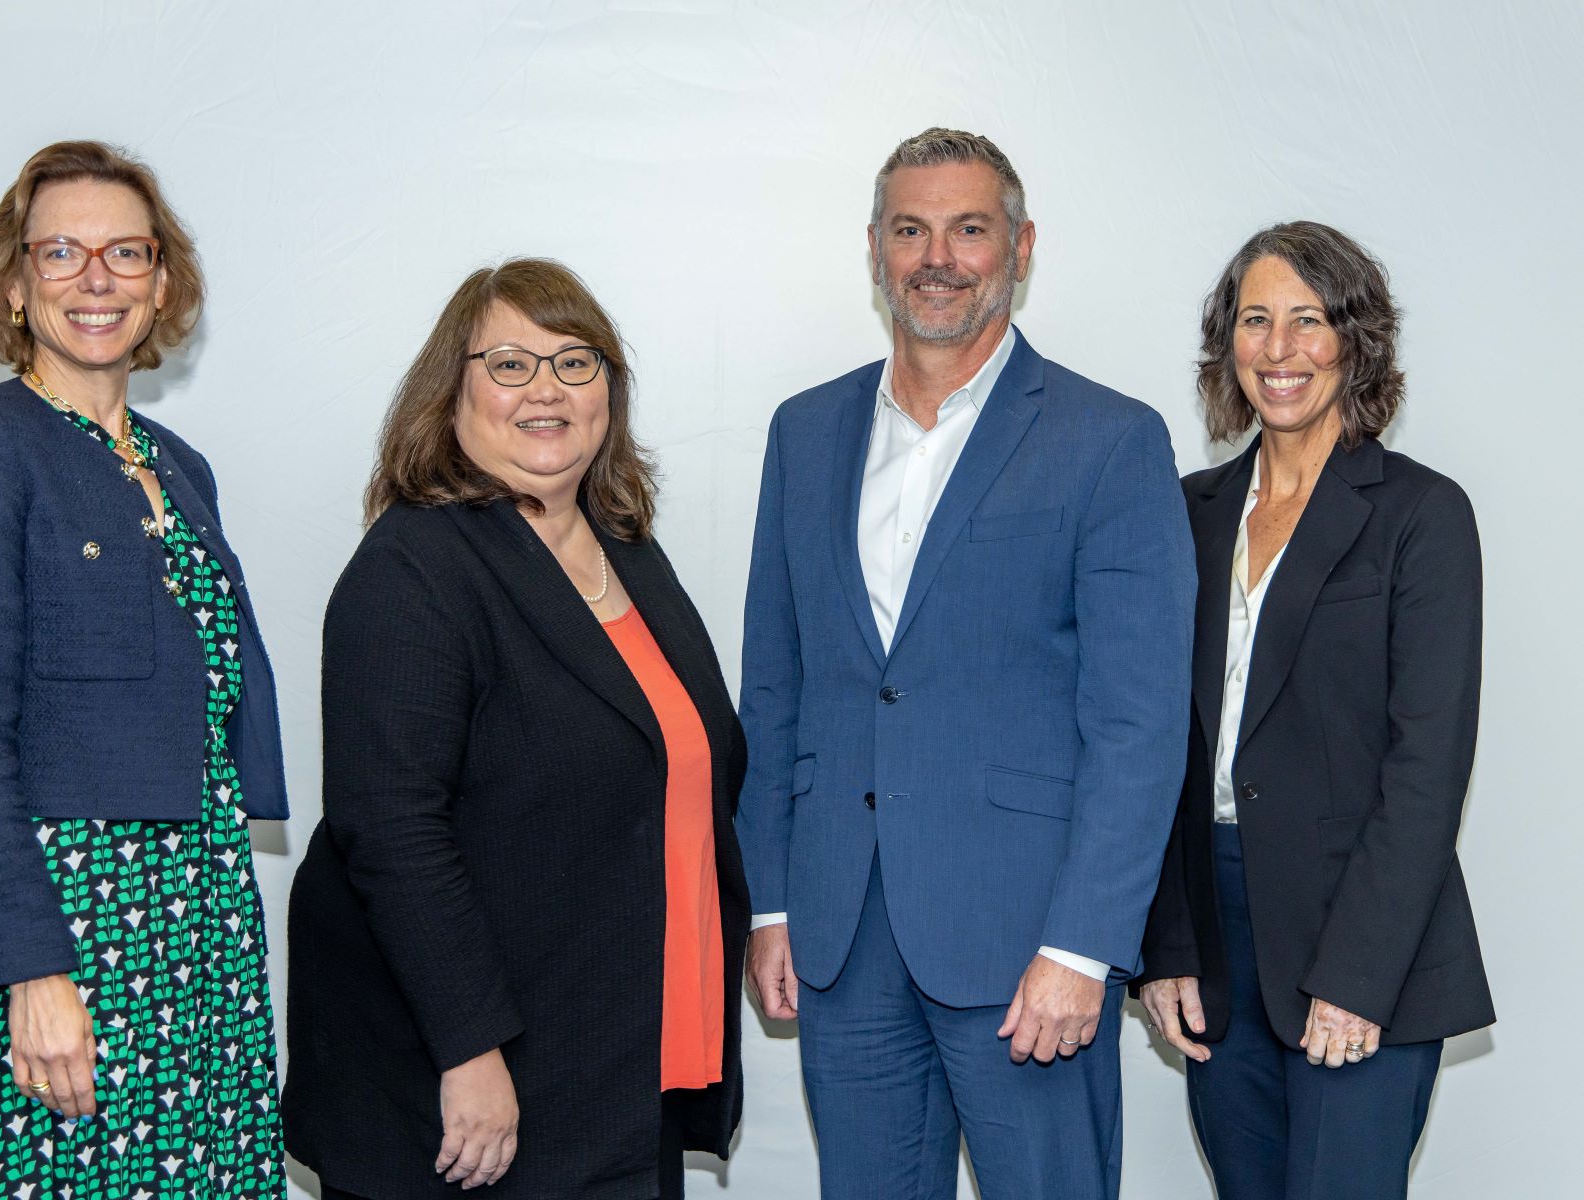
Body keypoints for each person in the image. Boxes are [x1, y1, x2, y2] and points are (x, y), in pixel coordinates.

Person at [736, 126, 1195, 1199]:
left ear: (1019, 247)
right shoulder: (803, 433)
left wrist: (1084, 947)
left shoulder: (1107, 439)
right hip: (840, 936)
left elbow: (1137, 725)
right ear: (874, 249)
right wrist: (769, 904)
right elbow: (775, 686)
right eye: (910, 229)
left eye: (967, 229)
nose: (936, 256)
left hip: (1025, 942)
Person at [282, 258, 749, 1199]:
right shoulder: (413, 568)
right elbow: (391, 831)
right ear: (449, 392)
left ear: (609, 391)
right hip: (479, 1085)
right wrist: (470, 1050)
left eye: (576, 363)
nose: (547, 389)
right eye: (508, 363)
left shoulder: (626, 553)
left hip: (616, 1063)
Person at [0, 141, 290, 1198]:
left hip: (196, 918)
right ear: (15, 284)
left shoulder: (179, 469)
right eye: (61, 251)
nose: (96, 279)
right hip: (69, 919)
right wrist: (32, 969)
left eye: (127, 253)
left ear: (163, 284)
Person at [1132, 221, 1494, 1199]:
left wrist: (1356, 976)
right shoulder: (1183, 512)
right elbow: (1155, 744)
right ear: (1226, 341)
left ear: (1354, 339)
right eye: (1255, 320)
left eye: (1306, 320)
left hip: (1356, 931)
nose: (1278, 349)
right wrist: (1162, 949)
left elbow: (1425, 770)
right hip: (1211, 934)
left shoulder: (1418, 515)